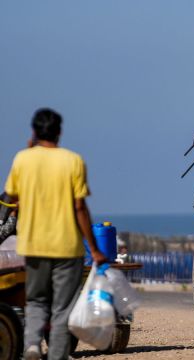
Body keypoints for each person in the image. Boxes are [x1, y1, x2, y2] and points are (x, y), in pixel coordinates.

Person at [4, 108, 107, 360]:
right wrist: (94, 250)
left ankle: (31, 345)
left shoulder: (22, 159)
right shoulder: (73, 161)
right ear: (59, 132)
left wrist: (29, 150)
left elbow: (10, 197)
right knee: (62, 309)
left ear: (34, 132)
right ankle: (57, 355)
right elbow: (79, 207)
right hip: (66, 247)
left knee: (36, 300)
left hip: (33, 244)